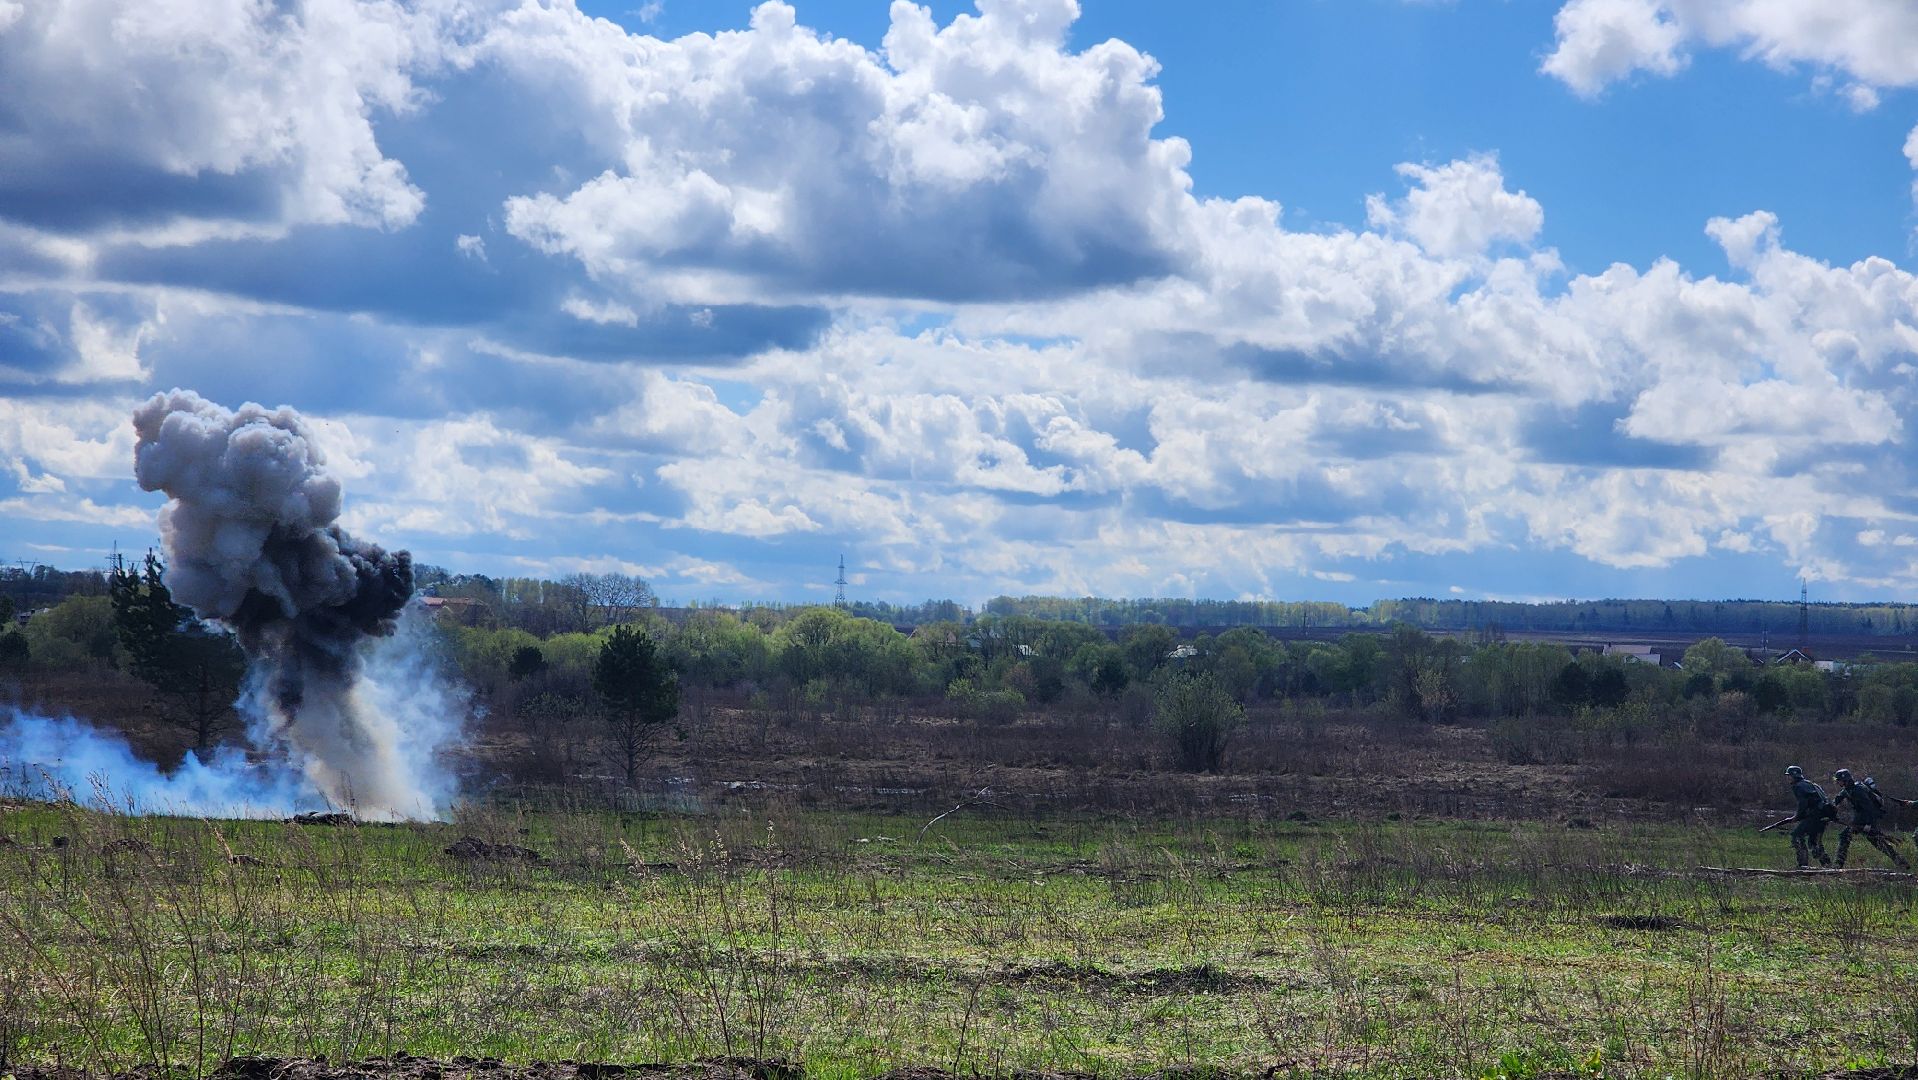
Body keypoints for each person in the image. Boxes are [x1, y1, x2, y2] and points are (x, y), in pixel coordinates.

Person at [1831, 768, 1912, 870]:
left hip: (1867, 818)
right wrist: (1829, 810)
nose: (1838, 783)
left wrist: (1868, 825)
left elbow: (1869, 809)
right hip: (1859, 818)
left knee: (1876, 842)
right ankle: (1901, 862)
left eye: (1839, 780)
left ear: (1845, 780)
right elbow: (1835, 801)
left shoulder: (1858, 790)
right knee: (1870, 840)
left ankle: (1838, 865)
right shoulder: (1847, 790)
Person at [1784, 765, 1834, 869]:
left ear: (1794, 776)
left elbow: (1803, 804)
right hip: (1823, 817)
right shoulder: (1810, 784)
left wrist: (1796, 817)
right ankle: (1827, 865)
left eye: (1789, 776)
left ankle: (1803, 865)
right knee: (1813, 842)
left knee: (1796, 836)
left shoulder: (1798, 786)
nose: (1787, 778)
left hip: (1815, 817)